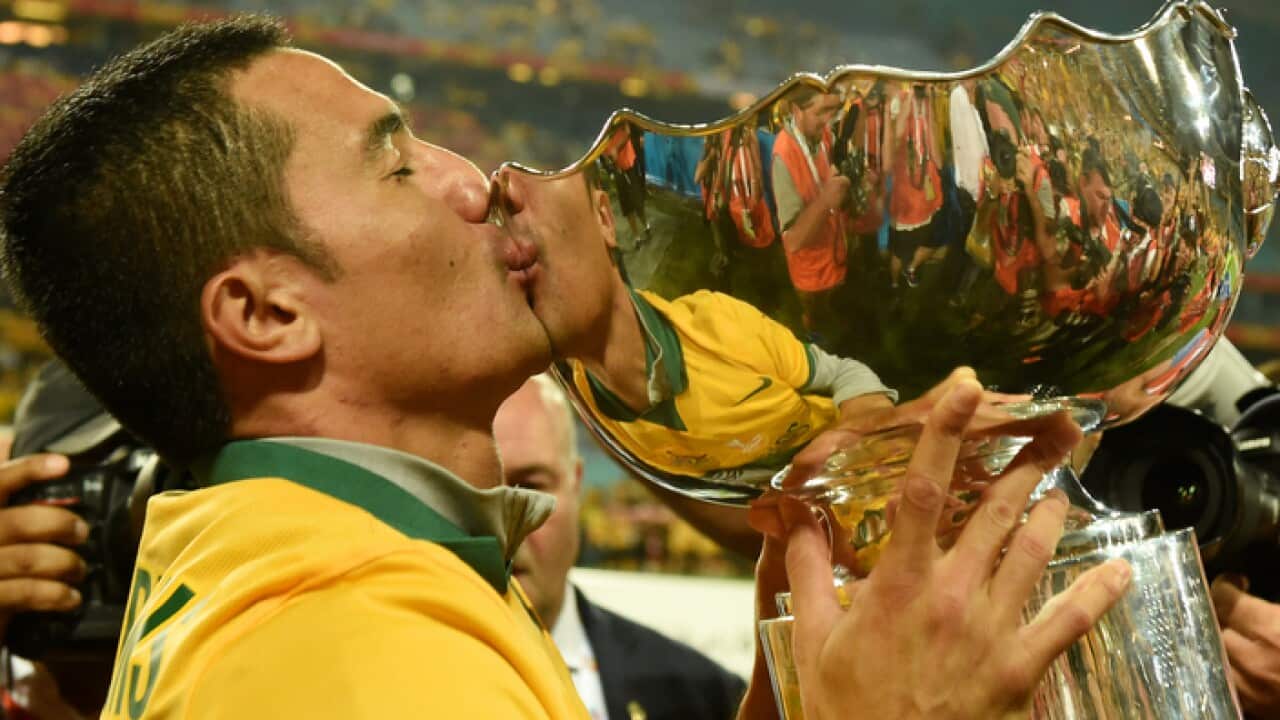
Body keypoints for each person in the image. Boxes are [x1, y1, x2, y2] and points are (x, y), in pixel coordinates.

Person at [0, 16, 1132, 719]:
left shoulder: (336, 574)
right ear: (264, 311)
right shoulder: (348, 651)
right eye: (396, 166)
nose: (471, 178)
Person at [495, 374, 745, 720]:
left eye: (530, 487)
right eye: (479, 491)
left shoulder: (706, 698)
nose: (505, 524)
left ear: (576, 485)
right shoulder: (402, 678)